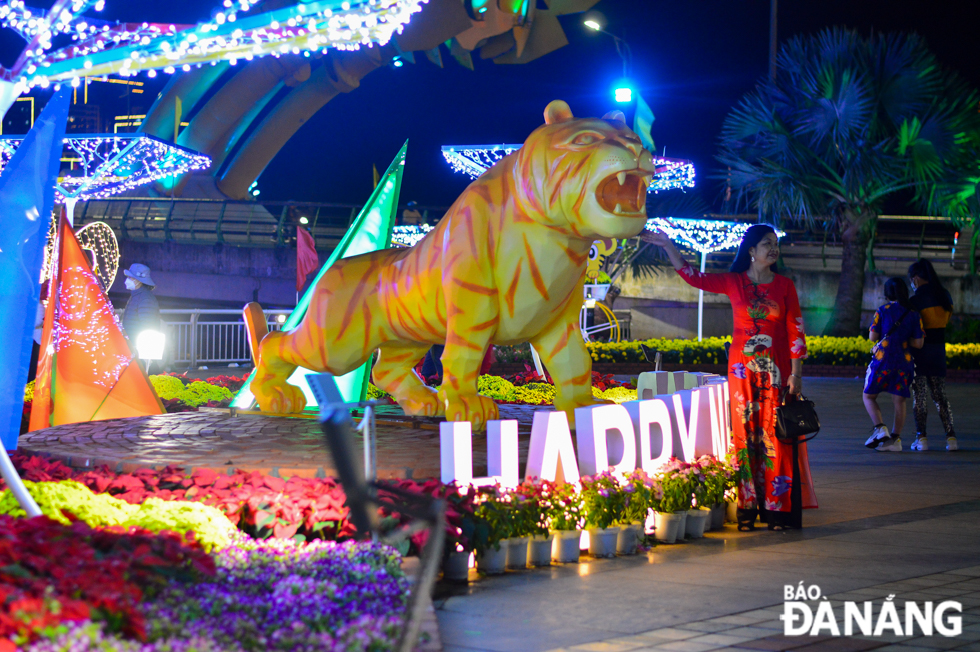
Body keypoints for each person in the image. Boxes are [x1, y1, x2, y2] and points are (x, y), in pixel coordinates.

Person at [642, 224, 816, 530]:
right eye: (766, 244)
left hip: (777, 372)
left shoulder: (785, 285)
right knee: (745, 435)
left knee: (777, 435)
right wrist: (669, 246)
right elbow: (693, 276)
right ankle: (747, 507)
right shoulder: (733, 282)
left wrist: (797, 374)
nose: (773, 249)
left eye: (775, 244)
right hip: (741, 371)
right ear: (751, 251)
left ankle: (778, 510)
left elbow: (795, 329)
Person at [862, 278, 924, 452]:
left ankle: (880, 427)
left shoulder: (882, 311)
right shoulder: (914, 313)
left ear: (887, 293)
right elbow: (919, 343)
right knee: (899, 400)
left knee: (868, 396)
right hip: (904, 362)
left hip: (883, 360)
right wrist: (902, 339)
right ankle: (895, 440)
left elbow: (873, 337)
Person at [907, 259, 957, 451]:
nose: (912, 282)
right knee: (940, 396)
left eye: (912, 279)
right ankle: (951, 437)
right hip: (938, 351)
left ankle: (922, 438)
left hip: (919, 353)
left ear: (917, 278)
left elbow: (912, 327)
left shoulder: (915, 301)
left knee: (919, 396)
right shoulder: (945, 297)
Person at [121, 263, 161, 346]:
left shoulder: (145, 299)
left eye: (130, 277)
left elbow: (147, 326)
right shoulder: (137, 296)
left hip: (138, 346)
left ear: (139, 281)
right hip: (132, 344)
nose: (127, 280)